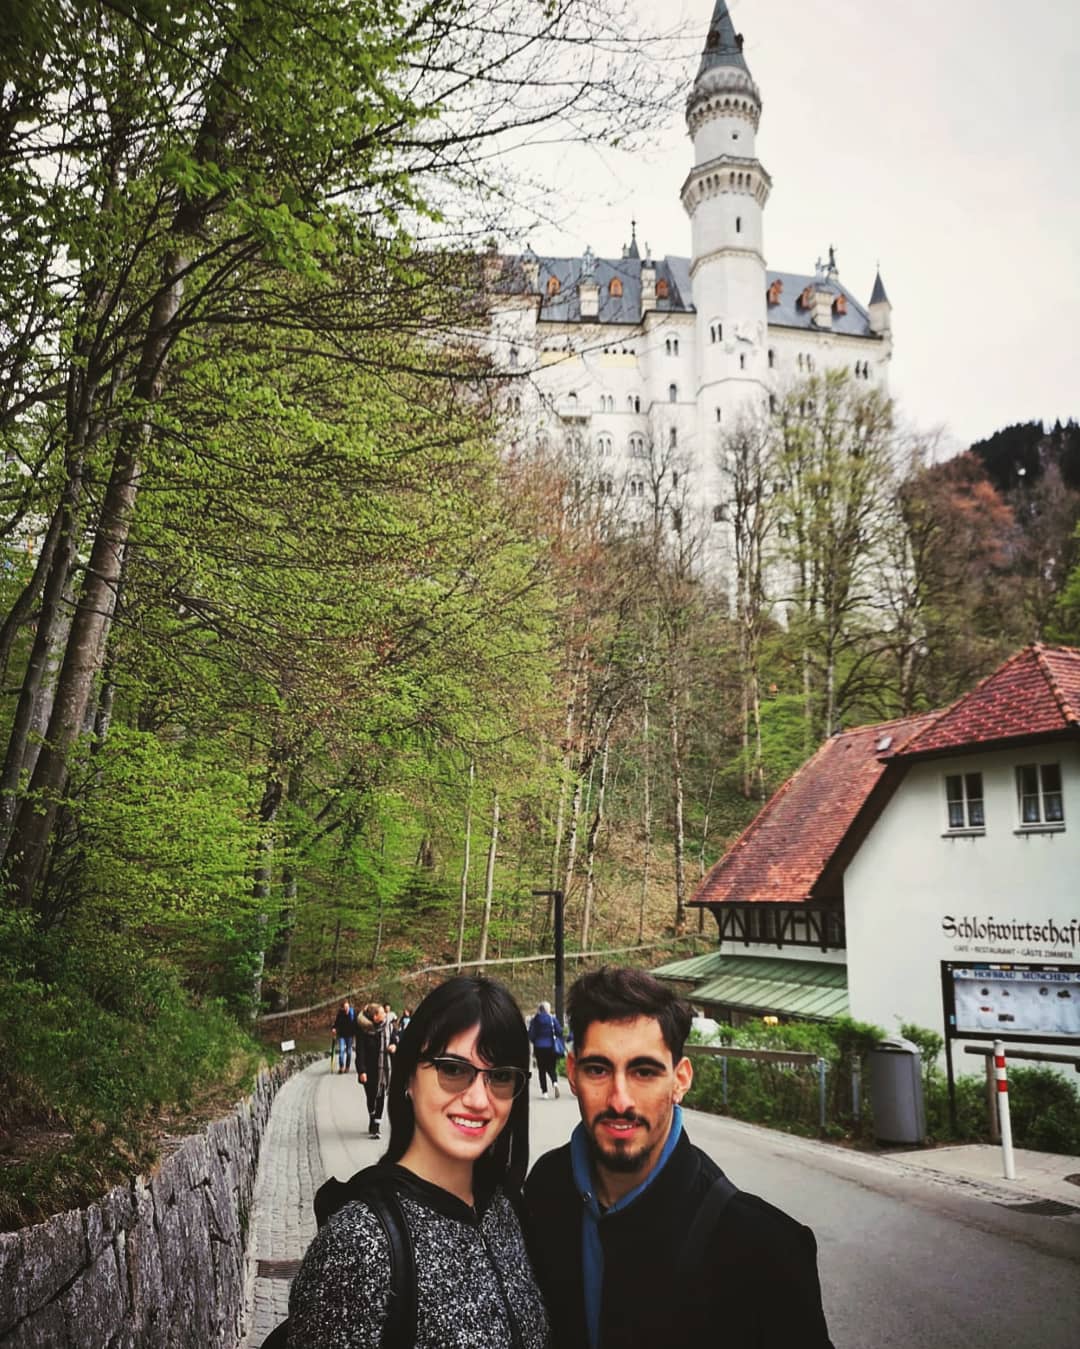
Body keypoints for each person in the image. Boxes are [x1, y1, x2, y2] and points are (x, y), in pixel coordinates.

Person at [524, 967, 834, 1349]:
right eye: (598, 1070)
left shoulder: (765, 1249)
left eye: (644, 1072)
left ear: (680, 1080)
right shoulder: (545, 1190)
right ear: (572, 1073)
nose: (620, 1100)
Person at [288, 976, 549, 1348]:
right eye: (452, 1070)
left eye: (501, 1076)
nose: (479, 1100)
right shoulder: (358, 1246)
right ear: (409, 1076)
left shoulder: (505, 1210)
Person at [356, 1001, 394, 1138]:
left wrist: (394, 1045)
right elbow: (360, 1052)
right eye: (382, 1013)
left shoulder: (388, 1026)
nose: (385, 1014)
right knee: (371, 1097)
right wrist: (362, 1071)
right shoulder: (364, 1031)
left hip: (383, 1069)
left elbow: (395, 1038)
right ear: (375, 1017)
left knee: (381, 1095)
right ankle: (372, 1116)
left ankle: (377, 1125)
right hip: (369, 1069)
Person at [528, 1000, 563, 1099]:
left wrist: (535, 1041)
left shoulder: (535, 1020)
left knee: (542, 1070)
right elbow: (559, 1031)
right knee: (551, 1067)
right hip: (551, 1047)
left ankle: (545, 1092)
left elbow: (531, 1034)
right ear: (547, 1009)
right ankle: (555, 1082)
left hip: (539, 1047)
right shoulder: (552, 1019)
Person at [331, 999, 354, 1074]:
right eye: (345, 1007)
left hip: (350, 1035)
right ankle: (341, 1067)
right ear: (342, 1008)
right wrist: (334, 1028)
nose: (347, 1008)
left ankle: (347, 1067)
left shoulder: (352, 1013)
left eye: (348, 1007)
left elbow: (356, 1023)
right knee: (341, 1051)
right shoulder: (340, 1014)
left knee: (349, 1052)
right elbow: (336, 1023)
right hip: (342, 1036)